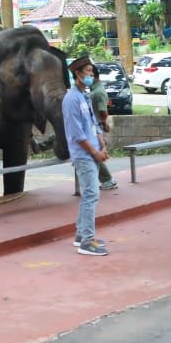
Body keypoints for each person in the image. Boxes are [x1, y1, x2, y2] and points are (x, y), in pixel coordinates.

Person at [63, 56, 109, 256]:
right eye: (88, 71)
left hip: (93, 151)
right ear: (77, 74)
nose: (91, 75)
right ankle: (87, 242)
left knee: (90, 194)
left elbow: (93, 124)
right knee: (91, 194)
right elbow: (76, 134)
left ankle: (82, 235)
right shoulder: (71, 99)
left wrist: (103, 144)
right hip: (83, 154)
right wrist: (95, 152)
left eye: (92, 72)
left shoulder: (85, 96)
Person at [89, 73, 118, 191]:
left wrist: (104, 123)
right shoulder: (95, 90)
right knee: (93, 152)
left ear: (95, 77)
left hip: (94, 127)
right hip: (93, 125)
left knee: (94, 152)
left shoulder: (98, 92)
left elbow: (103, 111)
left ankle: (107, 179)